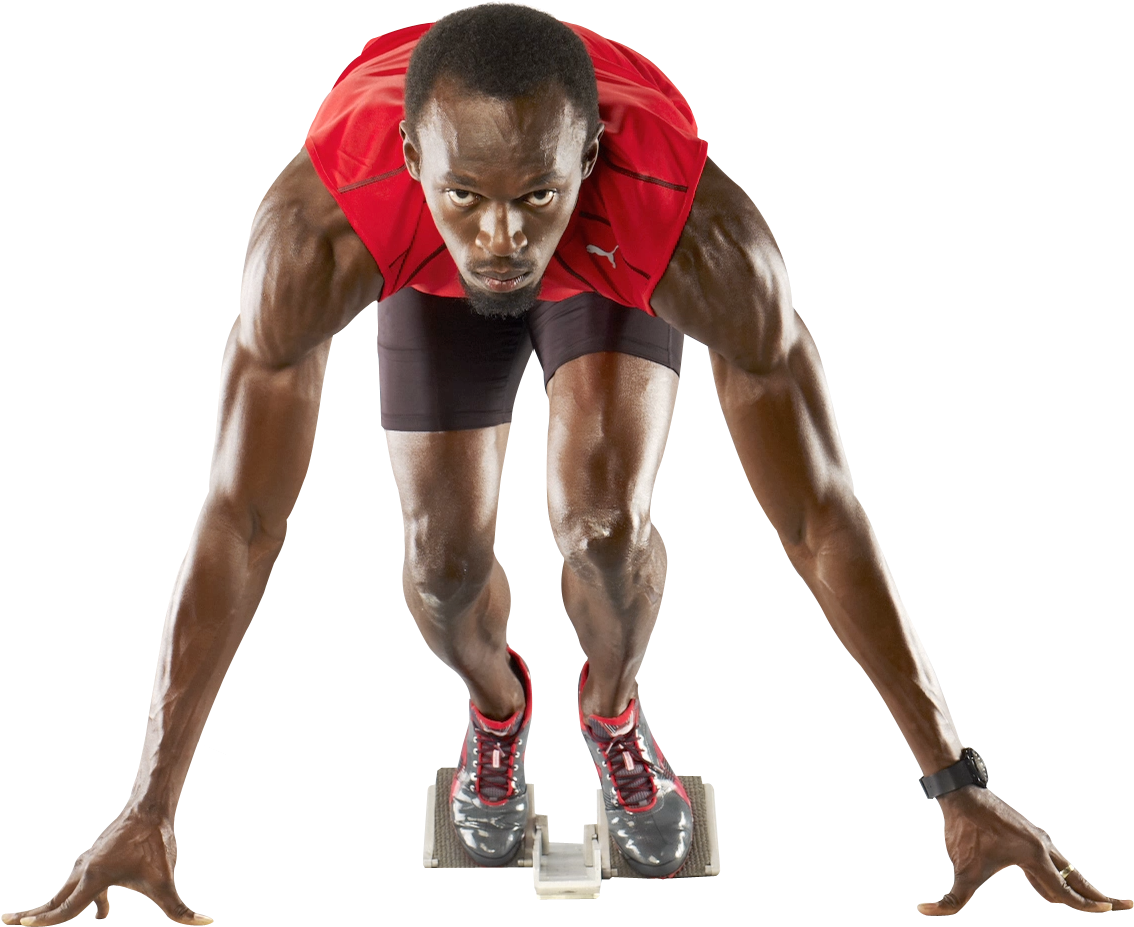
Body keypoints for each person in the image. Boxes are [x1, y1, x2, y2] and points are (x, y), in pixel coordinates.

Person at [2, 5, 1129, 922]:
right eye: (470, 199)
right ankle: (499, 714)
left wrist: (956, 781)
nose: (502, 240)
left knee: (599, 527)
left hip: (607, 266)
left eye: (532, 197)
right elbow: (240, 520)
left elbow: (821, 515)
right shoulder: (324, 234)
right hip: (421, 274)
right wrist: (151, 801)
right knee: (443, 569)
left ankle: (613, 708)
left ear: (586, 156)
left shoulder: (697, 236)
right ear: (409, 157)